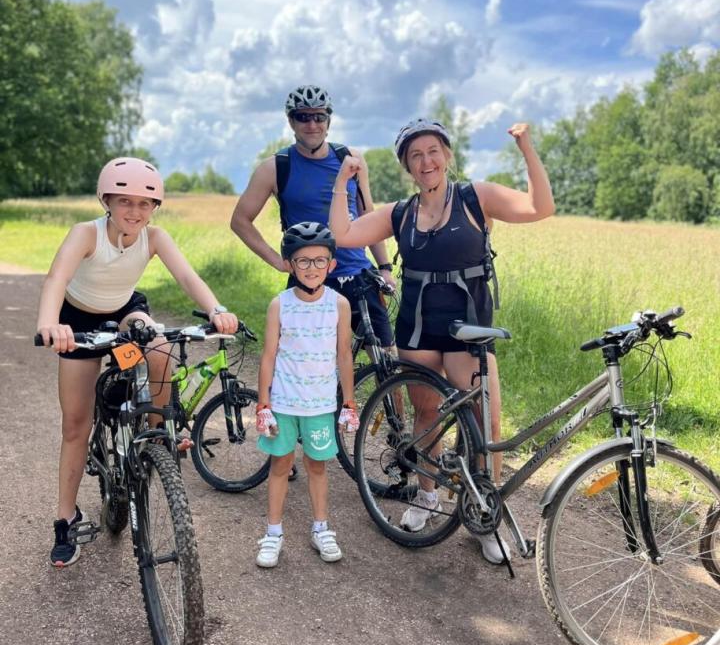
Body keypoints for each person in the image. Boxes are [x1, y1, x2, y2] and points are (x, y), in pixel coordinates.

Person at [329, 119, 555, 564]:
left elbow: (539, 207)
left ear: (447, 155)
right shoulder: (400, 213)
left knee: (486, 423)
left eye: (433, 151)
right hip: (418, 327)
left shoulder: (475, 197)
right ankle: (427, 495)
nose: (426, 161)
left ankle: (483, 514)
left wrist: (526, 147)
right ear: (407, 167)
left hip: (469, 326)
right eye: (415, 155)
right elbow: (344, 234)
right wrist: (342, 182)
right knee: (426, 414)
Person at [36, 156, 239, 568]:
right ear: (106, 201)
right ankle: (66, 518)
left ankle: (155, 435)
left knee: (158, 345)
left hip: (125, 311)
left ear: (155, 208)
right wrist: (50, 324)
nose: (135, 211)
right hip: (78, 322)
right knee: (75, 425)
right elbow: (57, 278)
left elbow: (187, 277)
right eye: (124, 201)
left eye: (145, 204)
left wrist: (216, 309)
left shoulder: (155, 237)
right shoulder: (86, 234)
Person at [230, 85, 395, 349]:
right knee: (308, 362)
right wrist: (278, 261)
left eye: (319, 116)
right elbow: (240, 220)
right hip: (308, 279)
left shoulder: (351, 159)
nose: (312, 124)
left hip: (358, 275)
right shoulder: (275, 167)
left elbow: (368, 216)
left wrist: (384, 267)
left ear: (328, 120)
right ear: (291, 121)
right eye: (303, 117)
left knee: (386, 357)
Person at [254, 222, 359, 569]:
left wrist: (349, 401)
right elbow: (268, 356)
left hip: (320, 404)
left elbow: (344, 354)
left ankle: (321, 528)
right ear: (289, 264)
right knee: (280, 465)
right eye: (303, 261)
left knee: (317, 466)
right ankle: (273, 532)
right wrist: (263, 403)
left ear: (331, 264)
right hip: (284, 403)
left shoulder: (339, 304)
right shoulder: (279, 305)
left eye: (319, 260)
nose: (311, 268)